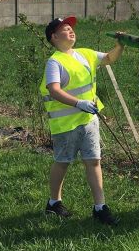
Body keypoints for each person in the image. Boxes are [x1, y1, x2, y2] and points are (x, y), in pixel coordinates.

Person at [39, 16, 124, 225]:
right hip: (66, 124)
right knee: (62, 162)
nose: (71, 31)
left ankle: (100, 207)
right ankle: (53, 203)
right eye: (65, 29)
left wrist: (119, 45)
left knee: (94, 161)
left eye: (71, 28)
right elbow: (54, 90)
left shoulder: (85, 54)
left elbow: (109, 59)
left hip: (88, 120)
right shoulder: (55, 61)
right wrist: (79, 103)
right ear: (54, 37)